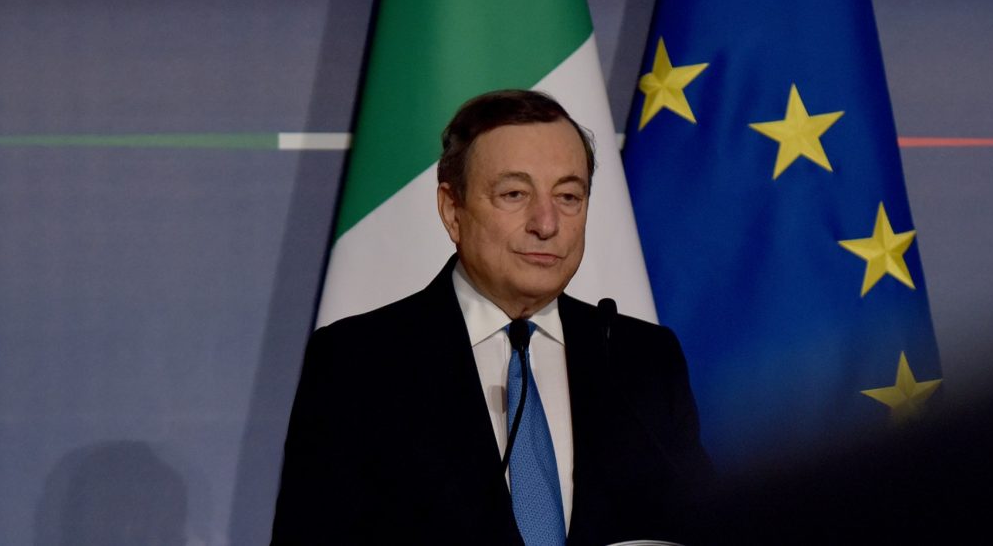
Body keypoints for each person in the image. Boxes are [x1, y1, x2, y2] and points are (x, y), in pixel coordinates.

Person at [270, 90, 712, 545]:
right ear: (452, 210)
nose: (546, 223)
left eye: (568, 196)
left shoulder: (640, 359)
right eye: (514, 194)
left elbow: (701, 526)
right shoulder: (360, 362)